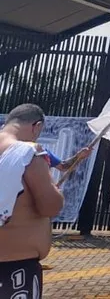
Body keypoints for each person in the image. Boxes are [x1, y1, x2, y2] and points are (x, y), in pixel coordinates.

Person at [0, 104, 64, 299]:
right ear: (36, 126)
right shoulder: (26, 153)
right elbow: (50, 206)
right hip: (14, 267)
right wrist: (54, 188)